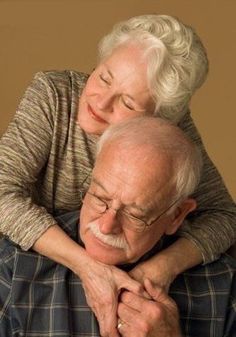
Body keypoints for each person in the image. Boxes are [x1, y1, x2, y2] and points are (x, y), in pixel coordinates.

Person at [0, 14, 236, 337]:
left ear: (160, 121)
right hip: (45, 275)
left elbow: (224, 217)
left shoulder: (173, 139)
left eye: (127, 102)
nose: (99, 101)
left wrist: (158, 270)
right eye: (104, 77)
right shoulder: (54, 97)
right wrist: (89, 268)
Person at [0, 117, 235, 337]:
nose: (105, 226)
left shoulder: (223, 286)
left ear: (176, 216)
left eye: (135, 214)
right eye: (100, 198)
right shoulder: (15, 267)